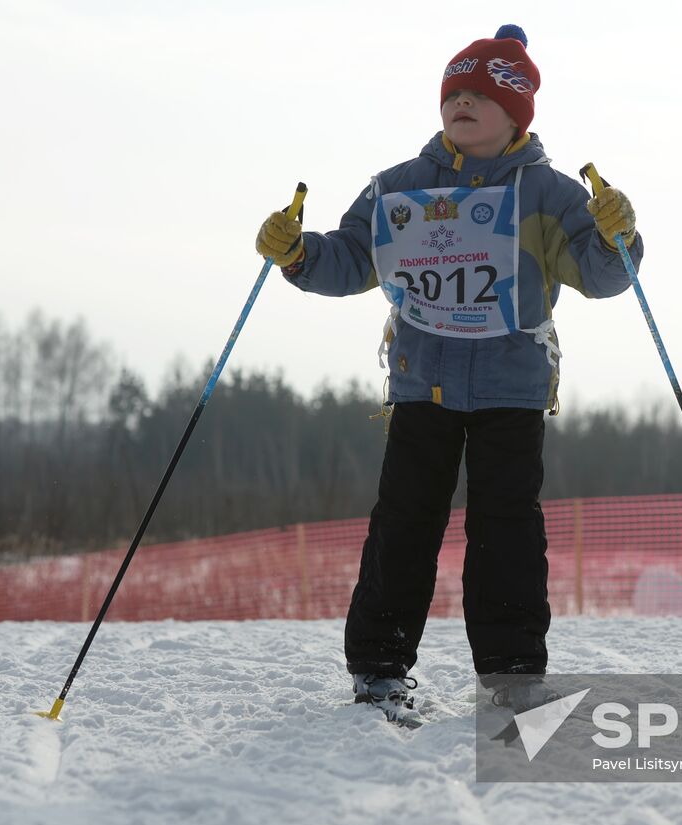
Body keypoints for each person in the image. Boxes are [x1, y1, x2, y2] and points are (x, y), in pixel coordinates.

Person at [256, 25, 643, 721]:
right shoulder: (399, 188)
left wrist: (620, 236)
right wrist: (296, 255)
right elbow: (349, 258)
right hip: (421, 381)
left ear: (517, 113)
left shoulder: (547, 194)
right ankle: (379, 666)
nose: (462, 104)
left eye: (481, 95)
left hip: (511, 389)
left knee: (507, 534)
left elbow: (601, 274)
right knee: (404, 525)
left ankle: (512, 675)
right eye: (453, 92)